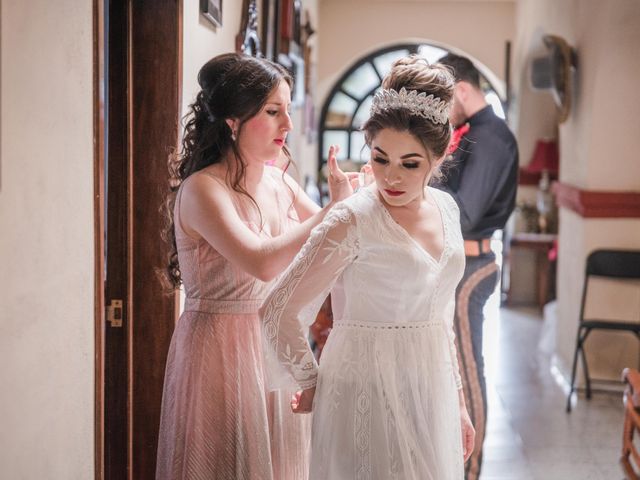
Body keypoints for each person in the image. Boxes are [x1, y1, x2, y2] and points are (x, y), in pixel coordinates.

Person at [260, 55, 475, 480]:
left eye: (409, 163)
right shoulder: (352, 219)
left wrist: (460, 404)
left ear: (439, 156)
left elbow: (441, 319)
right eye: (380, 158)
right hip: (362, 390)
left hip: (429, 388)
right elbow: (278, 309)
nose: (390, 177)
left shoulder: (448, 209)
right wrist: (311, 380)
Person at [156, 53, 353, 480]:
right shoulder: (202, 190)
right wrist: (333, 211)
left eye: (288, 110)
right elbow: (262, 262)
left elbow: (328, 242)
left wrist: (361, 198)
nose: (288, 125)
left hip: (274, 344)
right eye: (273, 111)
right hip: (219, 351)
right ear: (232, 120)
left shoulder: (278, 179)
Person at [435, 53, 519, 480]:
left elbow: (465, 214)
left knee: (467, 370)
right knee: (451, 369)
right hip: (457, 261)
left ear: (462, 91)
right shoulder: (474, 132)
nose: (442, 107)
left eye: (445, 97)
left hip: (473, 265)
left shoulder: (491, 138)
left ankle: (473, 469)